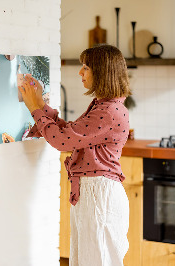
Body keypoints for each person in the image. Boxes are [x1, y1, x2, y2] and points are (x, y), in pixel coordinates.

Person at [19, 44, 131, 266]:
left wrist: (35, 108)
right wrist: (41, 104)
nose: (80, 72)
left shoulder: (108, 111)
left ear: (102, 72)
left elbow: (62, 141)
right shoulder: (104, 106)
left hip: (99, 195)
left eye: (86, 67)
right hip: (94, 193)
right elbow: (70, 133)